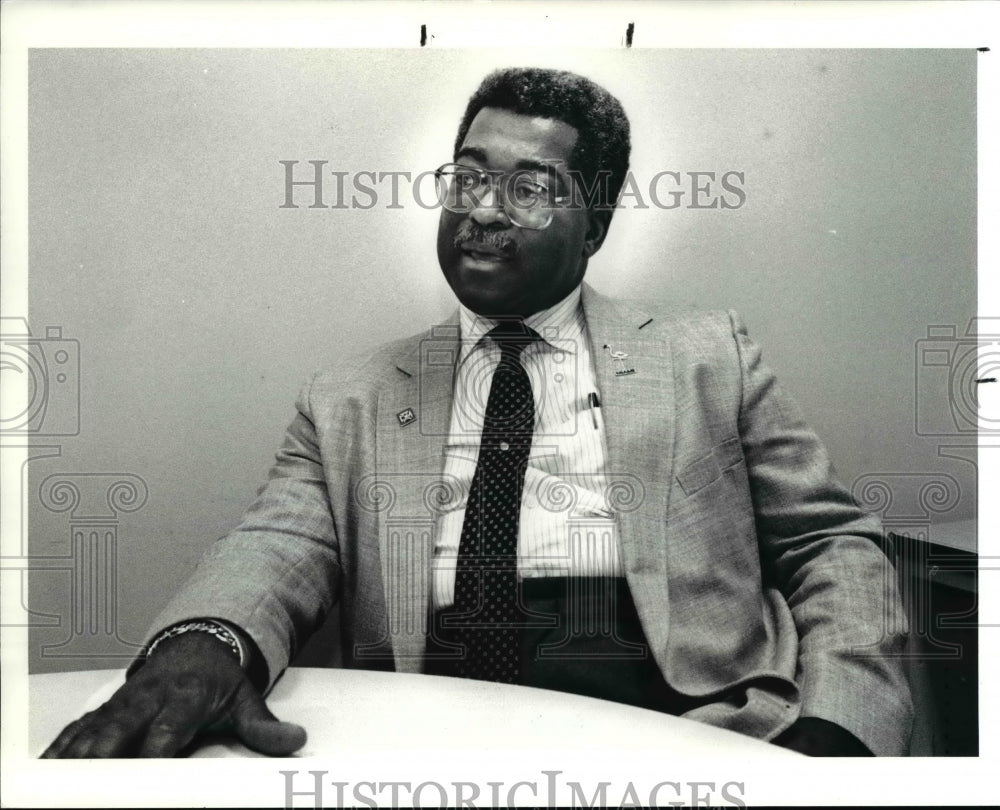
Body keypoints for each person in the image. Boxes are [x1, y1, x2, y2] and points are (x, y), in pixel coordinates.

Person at [43, 67, 912, 759]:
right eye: (467, 176)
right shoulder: (349, 395)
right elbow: (278, 546)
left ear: (596, 220)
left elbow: (830, 544)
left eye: (530, 187)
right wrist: (207, 640)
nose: (482, 210)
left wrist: (837, 730)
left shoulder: (709, 355)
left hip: (695, 721)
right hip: (433, 725)